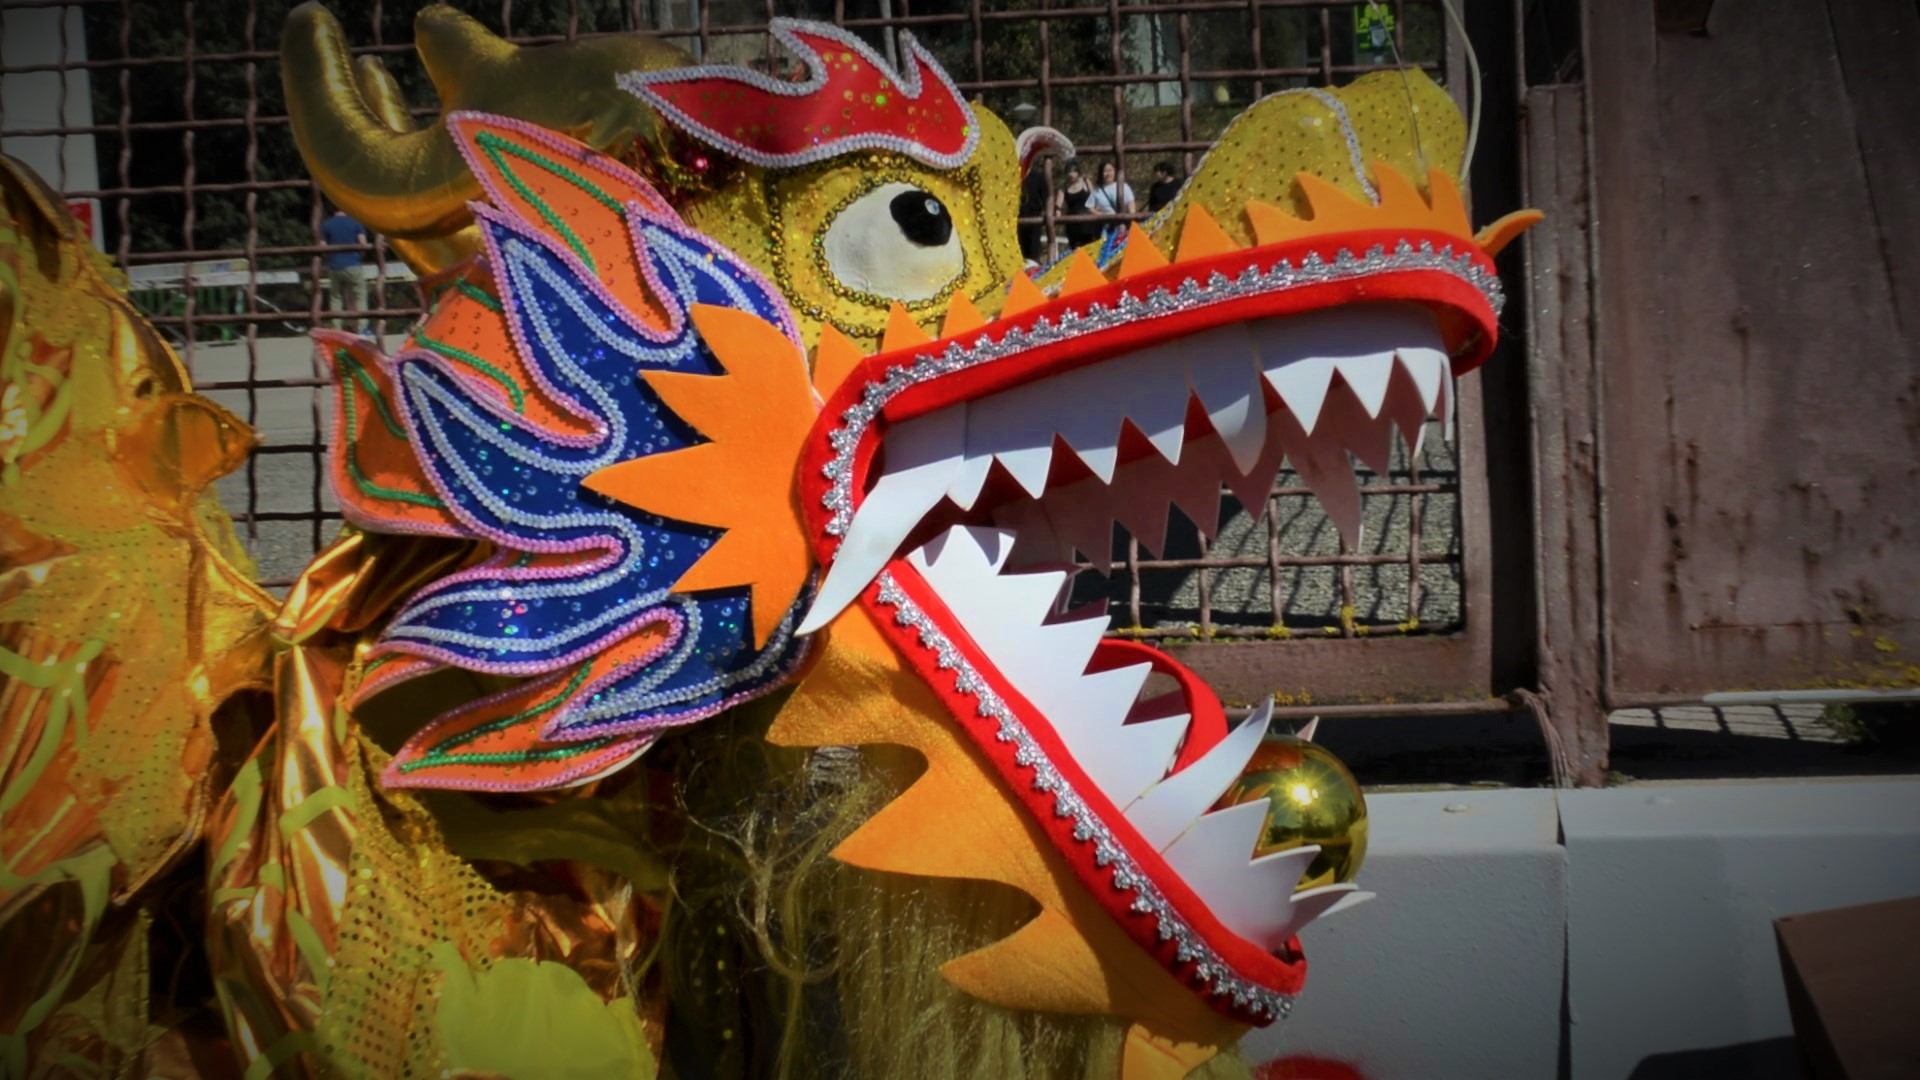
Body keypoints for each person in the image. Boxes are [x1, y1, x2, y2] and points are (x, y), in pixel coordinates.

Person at [320, 207, 370, 333]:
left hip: (334, 266)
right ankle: (362, 327)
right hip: (353, 264)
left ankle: (336, 327)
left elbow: (322, 247)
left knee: (335, 298)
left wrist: (331, 257)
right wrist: (360, 255)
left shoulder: (326, 225)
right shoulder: (356, 222)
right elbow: (363, 243)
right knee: (360, 296)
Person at [1055, 160, 1102, 250]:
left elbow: (1094, 197)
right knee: (1075, 249)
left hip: (1088, 221)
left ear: (1078, 172)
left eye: (1073, 172)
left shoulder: (1085, 182)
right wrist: (1057, 211)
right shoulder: (1064, 187)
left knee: (1090, 246)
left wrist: (1096, 210)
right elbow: (1058, 204)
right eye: (1068, 172)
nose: (1071, 174)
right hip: (1072, 224)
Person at [1084, 160, 1135, 240]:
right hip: (1106, 228)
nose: (1108, 174)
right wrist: (1101, 215)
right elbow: (1089, 207)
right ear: (1101, 173)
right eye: (1105, 171)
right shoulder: (1097, 190)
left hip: (1123, 226)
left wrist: (1130, 219)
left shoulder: (1124, 186)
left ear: (1115, 171)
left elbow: (1131, 206)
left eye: (1110, 170)